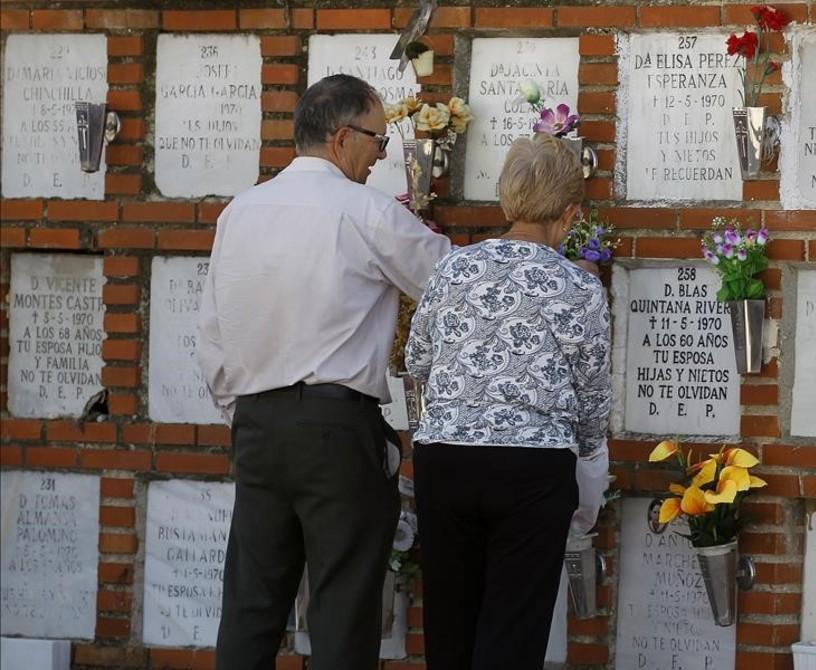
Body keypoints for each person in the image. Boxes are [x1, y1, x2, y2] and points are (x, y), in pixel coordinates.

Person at [197, 74, 451, 670]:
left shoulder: (241, 212)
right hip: (337, 429)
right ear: (342, 138)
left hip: (257, 425)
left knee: (250, 608)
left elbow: (211, 334)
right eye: (377, 142)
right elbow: (453, 285)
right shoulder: (364, 210)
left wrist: (248, 412)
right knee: (342, 610)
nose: (380, 157)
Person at [405, 133, 612, 669]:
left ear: (505, 201)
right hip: (532, 465)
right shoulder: (579, 287)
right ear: (570, 214)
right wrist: (589, 482)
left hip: (446, 456)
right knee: (512, 633)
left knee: (449, 627)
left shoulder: (453, 268)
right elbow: (591, 398)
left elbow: (418, 360)